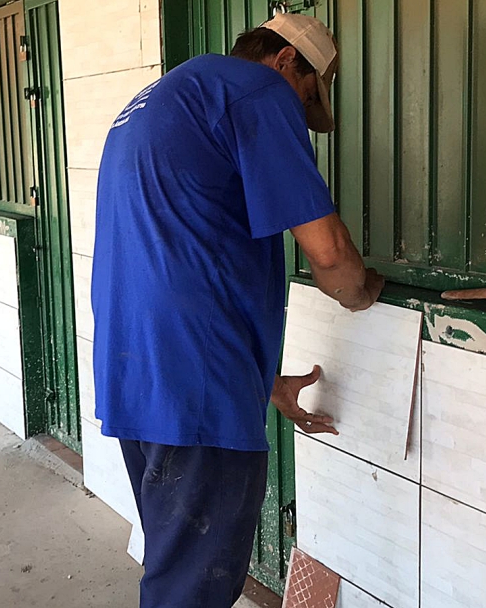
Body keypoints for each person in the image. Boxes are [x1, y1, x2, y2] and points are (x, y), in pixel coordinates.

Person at [91, 13, 385, 608]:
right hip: (197, 383)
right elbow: (329, 254)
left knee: (174, 565)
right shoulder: (258, 91)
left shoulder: (162, 98)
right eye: (307, 95)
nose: (300, 113)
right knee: (191, 589)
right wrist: (362, 291)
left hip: (136, 371)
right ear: (285, 63)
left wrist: (262, 380)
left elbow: (183, 248)